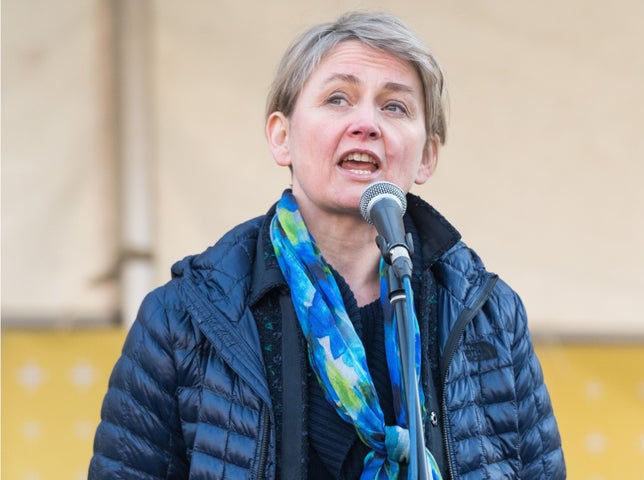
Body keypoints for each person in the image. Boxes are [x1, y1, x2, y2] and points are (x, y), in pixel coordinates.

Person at [89, 10, 565, 480]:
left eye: (394, 106)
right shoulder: (183, 319)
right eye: (338, 99)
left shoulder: (490, 317)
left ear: (427, 156)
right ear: (282, 138)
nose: (366, 123)